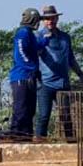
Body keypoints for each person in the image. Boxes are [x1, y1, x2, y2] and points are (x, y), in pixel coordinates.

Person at [36, 5, 83, 140]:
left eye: (52, 18)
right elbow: (34, 56)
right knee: (44, 115)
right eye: (46, 19)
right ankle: (40, 143)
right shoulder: (39, 36)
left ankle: (71, 143)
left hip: (63, 83)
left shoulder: (65, 37)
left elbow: (70, 58)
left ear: (57, 18)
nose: (49, 21)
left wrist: (80, 73)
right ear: (43, 21)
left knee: (66, 115)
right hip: (45, 83)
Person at [8, 8, 49, 138]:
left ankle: (26, 136)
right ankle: (16, 136)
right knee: (21, 109)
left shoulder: (30, 34)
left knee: (30, 110)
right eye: (37, 20)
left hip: (29, 77)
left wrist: (46, 40)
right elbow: (21, 52)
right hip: (21, 77)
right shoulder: (22, 32)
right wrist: (31, 67)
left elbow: (36, 46)